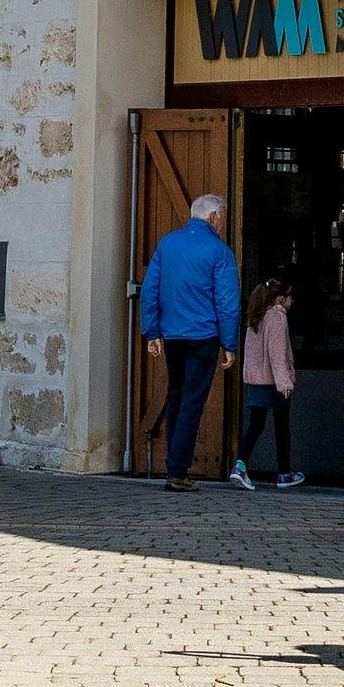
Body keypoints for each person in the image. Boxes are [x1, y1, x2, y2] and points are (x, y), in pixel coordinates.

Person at [137, 192, 239, 491]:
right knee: (192, 401)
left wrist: (152, 332)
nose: (222, 223)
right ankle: (177, 472)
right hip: (203, 336)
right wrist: (229, 343)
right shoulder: (219, 251)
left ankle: (174, 466)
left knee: (176, 395)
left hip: (172, 335)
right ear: (212, 217)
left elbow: (150, 289)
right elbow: (227, 301)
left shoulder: (167, 243)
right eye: (222, 217)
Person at [232, 276, 305, 490]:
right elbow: (277, 353)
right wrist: (285, 382)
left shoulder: (256, 315)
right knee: (282, 428)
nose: (292, 303)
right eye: (290, 298)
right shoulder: (277, 317)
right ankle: (284, 473)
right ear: (281, 298)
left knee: (255, 425)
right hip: (273, 382)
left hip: (255, 381)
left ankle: (239, 466)